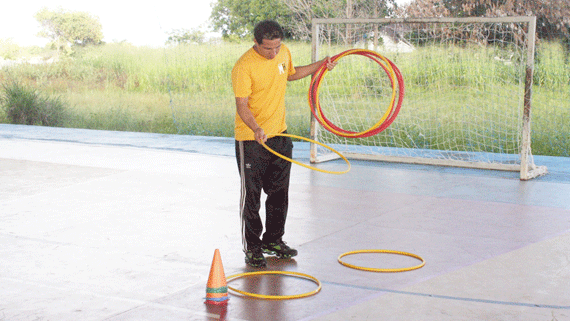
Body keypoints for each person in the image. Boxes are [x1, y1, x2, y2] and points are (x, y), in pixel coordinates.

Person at [231, 20, 336, 268]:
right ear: (255, 43)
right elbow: (242, 105)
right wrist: (256, 128)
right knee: (252, 197)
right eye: (268, 48)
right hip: (252, 139)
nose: (274, 52)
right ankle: (253, 247)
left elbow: (291, 73)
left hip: (280, 134)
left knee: (279, 193)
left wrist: (320, 65)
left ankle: (273, 240)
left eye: (277, 47)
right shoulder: (243, 67)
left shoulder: (283, 52)